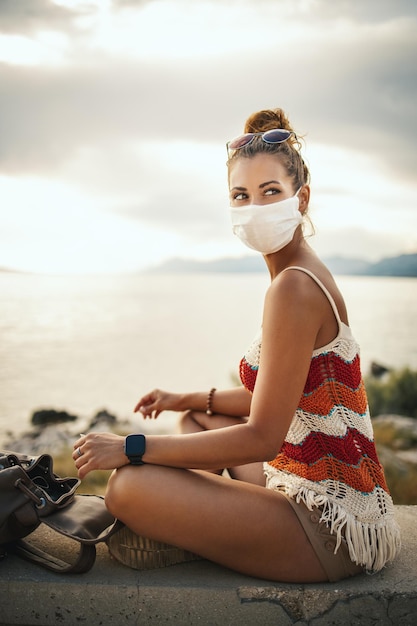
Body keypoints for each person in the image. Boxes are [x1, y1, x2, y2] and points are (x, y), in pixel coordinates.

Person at [73, 107, 401, 583]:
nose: (255, 209)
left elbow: (263, 436)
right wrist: (183, 398)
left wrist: (131, 446)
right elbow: (271, 398)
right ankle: (202, 522)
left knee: (127, 486)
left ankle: (190, 530)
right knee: (198, 419)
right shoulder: (298, 272)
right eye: (241, 196)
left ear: (301, 197)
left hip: (329, 528)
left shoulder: (293, 288)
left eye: (271, 193)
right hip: (320, 488)